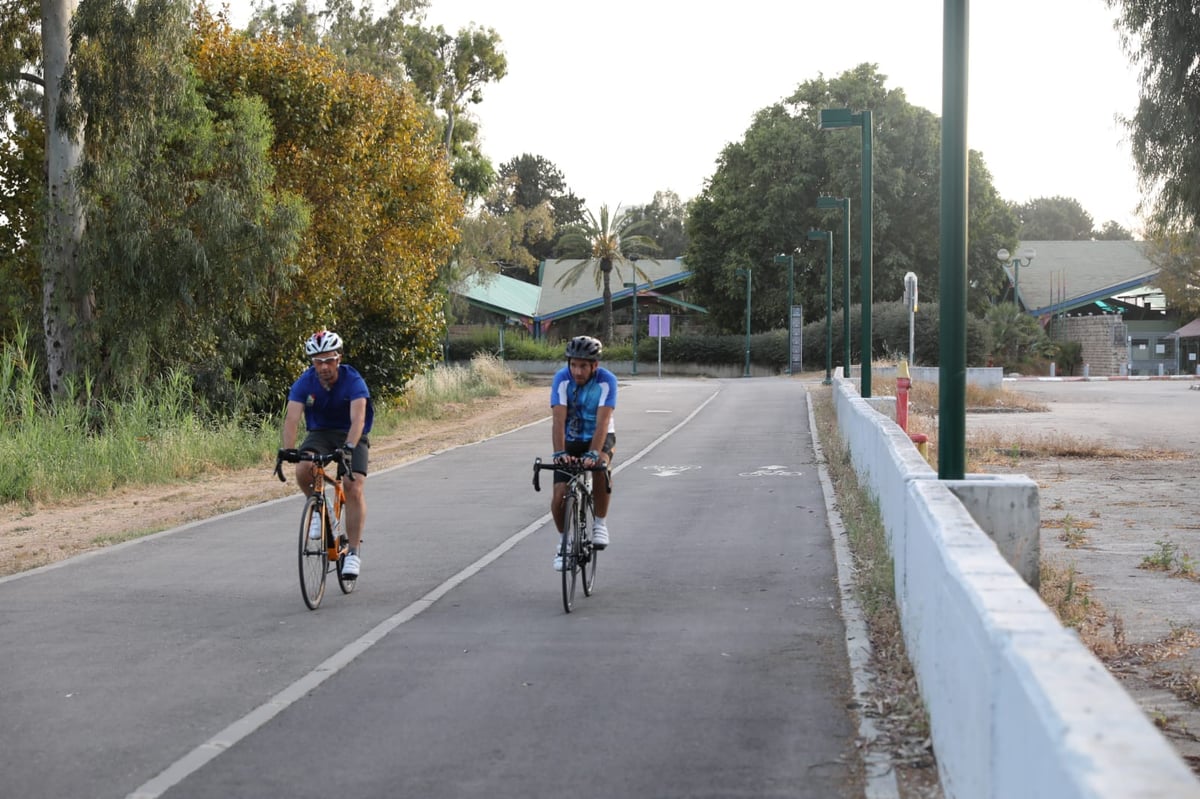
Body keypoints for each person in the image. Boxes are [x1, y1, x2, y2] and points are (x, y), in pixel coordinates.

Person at [279, 329, 373, 579]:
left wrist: (350, 448)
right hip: (320, 433)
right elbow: (292, 419)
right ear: (312, 362)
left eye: (329, 360)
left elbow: (358, 419)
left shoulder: (353, 380)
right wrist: (289, 450)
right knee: (303, 468)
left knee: (353, 486)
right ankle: (320, 510)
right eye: (318, 361)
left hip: (351, 434)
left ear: (338, 358)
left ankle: (352, 552)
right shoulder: (305, 382)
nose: (324, 366)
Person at [549, 335, 617, 571]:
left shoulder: (607, 381)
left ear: (594, 366)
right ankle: (564, 543)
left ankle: (600, 523)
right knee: (559, 495)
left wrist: (593, 454)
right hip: (571, 438)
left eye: (583, 366)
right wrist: (559, 452)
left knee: (600, 467)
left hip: (600, 435)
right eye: (573, 365)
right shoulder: (561, 379)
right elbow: (558, 420)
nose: (577, 371)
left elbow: (603, 422)